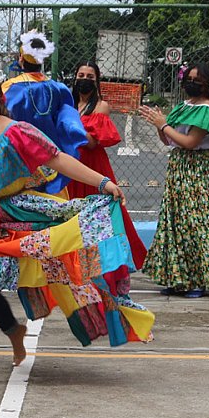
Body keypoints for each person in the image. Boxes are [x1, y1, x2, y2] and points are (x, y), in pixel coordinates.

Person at [0, 70, 154, 389]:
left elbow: (58, 159)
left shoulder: (17, 132)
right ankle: (8, 336)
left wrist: (103, 182)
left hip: (23, 218)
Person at [138, 62, 209, 298]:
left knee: (199, 222)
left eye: (197, 80)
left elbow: (190, 142)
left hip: (198, 170)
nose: (191, 83)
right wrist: (160, 126)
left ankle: (205, 279)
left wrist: (163, 124)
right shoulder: (184, 106)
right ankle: (181, 278)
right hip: (179, 168)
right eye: (188, 79)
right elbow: (169, 140)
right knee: (179, 221)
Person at [65, 59, 147, 295]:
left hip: (92, 165)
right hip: (69, 164)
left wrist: (68, 125)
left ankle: (113, 269)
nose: (85, 80)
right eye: (81, 75)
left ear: (97, 81)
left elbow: (91, 142)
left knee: (103, 216)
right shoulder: (68, 103)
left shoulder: (101, 106)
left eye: (90, 77)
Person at [0, 30, 88, 193]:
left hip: (20, 158)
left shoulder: (10, 88)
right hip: (51, 158)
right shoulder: (59, 88)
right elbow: (68, 121)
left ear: (21, 58)